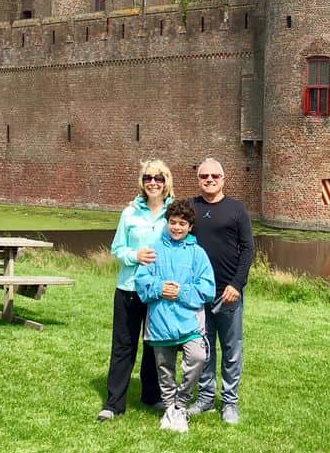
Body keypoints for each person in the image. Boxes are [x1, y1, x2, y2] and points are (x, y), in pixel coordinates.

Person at [97, 159, 174, 422]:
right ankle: (113, 403)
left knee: (155, 344)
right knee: (123, 345)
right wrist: (135, 255)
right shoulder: (129, 213)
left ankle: (151, 395)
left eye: (158, 178)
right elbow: (117, 249)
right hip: (129, 287)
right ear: (142, 183)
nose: (153, 183)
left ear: (166, 182)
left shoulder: (174, 213)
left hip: (157, 290)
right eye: (148, 178)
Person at [133, 199, 215, 433]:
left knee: (198, 357)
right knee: (165, 368)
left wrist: (181, 292)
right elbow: (142, 282)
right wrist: (160, 288)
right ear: (167, 223)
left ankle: (181, 404)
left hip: (189, 322)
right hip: (161, 321)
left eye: (182, 224)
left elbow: (207, 289)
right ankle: (171, 409)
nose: (177, 227)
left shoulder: (198, 254)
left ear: (190, 227)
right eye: (173, 223)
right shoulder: (154, 250)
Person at [188, 157, 255, 424]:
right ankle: (205, 398)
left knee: (231, 349)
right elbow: (171, 230)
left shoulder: (236, 209)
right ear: (198, 179)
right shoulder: (191, 207)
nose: (210, 180)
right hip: (199, 293)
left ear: (223, 179)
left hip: (228, 293)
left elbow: (248, 249)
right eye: (205, 176)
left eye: (215, 176)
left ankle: (229, 402)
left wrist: (236, 285)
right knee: (203, 348)